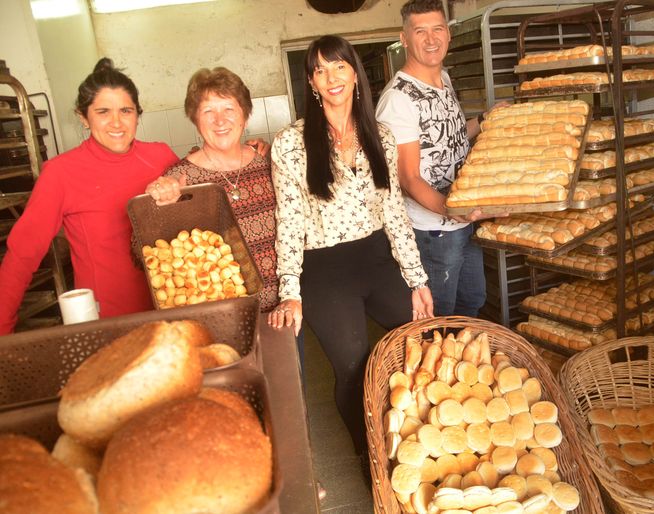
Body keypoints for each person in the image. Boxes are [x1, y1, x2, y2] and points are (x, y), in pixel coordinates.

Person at [268, 35, 433, 456]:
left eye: (339, 66)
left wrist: (417, 280)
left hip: (376, 257)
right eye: (320, 70)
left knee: (419, 342)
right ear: (311, 83)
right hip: (325, 269)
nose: (331, 77)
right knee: (353, 367)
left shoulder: (381, 135)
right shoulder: (291, 143)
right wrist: (290, 292)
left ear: (355, 74)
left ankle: (417, 443)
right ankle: (370, 456)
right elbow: (289, 220)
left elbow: (394, 211)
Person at [0, 58, 179, 335]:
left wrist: (253, 154)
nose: (116, 122)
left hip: (175, 311)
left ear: (137, 114)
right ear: (83, 117)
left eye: (126, 111)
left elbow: (200, 209)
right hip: (107, 323)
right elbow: (22, 255)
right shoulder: (60, 173)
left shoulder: (160, 156)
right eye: (103, 112)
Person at [376, 0, 492, 318]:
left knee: (472, 300)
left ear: (448, 34)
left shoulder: (443, 79)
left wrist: (485, 119)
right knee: (438, 315)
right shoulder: (399, 99)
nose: (431, 39)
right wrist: (453, 211)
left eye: (437, 29)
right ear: (404, 38)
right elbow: (408, 178)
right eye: (420, 31)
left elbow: (450, 138)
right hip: (432, 232)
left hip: (461, 220)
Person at [146, 67, 279, 316]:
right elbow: (144, 252)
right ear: (195, 120)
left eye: (229, 109)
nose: (220, 120)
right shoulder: (180, 178)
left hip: (283, 312)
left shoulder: (269, 163)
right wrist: (157, 204)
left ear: (245, 115)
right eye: (208, 111)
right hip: (220, 317)